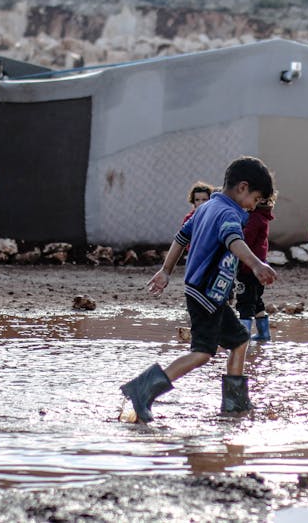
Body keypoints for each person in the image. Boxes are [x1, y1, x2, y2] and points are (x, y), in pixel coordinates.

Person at [121, 156, 276, 424]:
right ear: (242, 188)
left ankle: (235, 405)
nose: (254, 206)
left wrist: (166, 270)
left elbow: (181, 238)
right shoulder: (228, 213)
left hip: (205, 293)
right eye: (256, 199)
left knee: (239, 340)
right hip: (206, 294)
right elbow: (233, 241)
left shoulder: (207, 207)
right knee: (202, 352)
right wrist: (257, 263)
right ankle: (142, 390)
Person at [237, 194, 275, 341]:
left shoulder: (254, 218)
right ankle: (263, 333)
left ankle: (242, 337)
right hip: (258, 267)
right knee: (256, 301)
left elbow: (244, 240)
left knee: (245, 302)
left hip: (248, 268)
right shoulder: (263, 216)